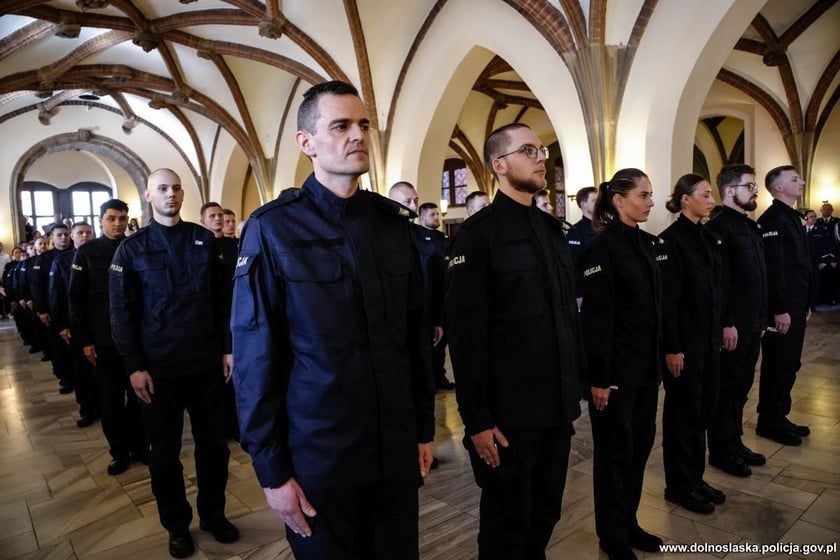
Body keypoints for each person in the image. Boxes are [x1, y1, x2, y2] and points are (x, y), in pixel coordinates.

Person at [232, 81, 435, 560]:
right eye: (340, 125)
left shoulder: (392, 224)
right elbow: (255, 357)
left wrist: (423, 428)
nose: (357, 135)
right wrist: (272, 472)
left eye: (363, 124)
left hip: (393, 450)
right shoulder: (273, 227)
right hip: (321, 456)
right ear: (307, 144)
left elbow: (413, 340)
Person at [446, 123, 582, 559]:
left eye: (540, 149)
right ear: (499, 165)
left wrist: (570, 397)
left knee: (546, 513)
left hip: (555, 408)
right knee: (508, 524)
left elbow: (563, 320)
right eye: (527, 150)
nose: (540, 157)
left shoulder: (551, 229)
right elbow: (466, 336)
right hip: (509, 416)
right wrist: (478, 420)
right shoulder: (478, 234)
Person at [110, 169, 238, 558]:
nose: (171, 194)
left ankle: (214, 515)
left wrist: (228, 348)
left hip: (205, 365)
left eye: (176, 188)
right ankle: (177, 524)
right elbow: (121, 311)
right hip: (158, 370)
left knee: (214, 447)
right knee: (164, 455)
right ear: (149, 195)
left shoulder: (203, 240)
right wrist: (134, 365)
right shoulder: (131, 249)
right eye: (163, 188)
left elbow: (221, 299)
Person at [581, 169, 663, 560]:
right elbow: (597, 318)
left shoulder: (646, 244)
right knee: (614, 455)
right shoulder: (603, 247)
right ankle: (611, 534)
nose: (650, 201)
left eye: (650, 195)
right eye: (644, 195)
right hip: (615, 374)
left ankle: (629, 523)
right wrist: (600, 377)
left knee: (638, 450)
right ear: (619, 200)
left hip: (645, 370)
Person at [659, 173, 725, 515]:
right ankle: (679, 485)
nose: (711, 199)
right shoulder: (670, 241)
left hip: (708, 342)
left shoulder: (707, 235)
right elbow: (669, 302)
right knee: (683, 416)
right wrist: (672, 347)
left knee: (703, 411)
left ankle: (695, 478)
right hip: (684, 347)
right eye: (705, 194)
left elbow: (715, 289)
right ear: (686, 199)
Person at [70, 199, 149, 474]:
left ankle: (141, 447)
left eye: (122, 218)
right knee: (111, 401)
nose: (118, 223)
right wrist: (84, 340)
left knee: (140, 398)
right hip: (103, 340)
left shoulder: (135, 247)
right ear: (101, 220)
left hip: (135, 340)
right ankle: (119, 452)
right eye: (112, 218)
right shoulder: (87, 253)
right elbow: (76, 299)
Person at [705, 164, 769, 478]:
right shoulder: (719, 228)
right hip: (733, 327)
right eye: (750, 185)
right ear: (730, 191)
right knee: (727, 389)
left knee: (742, 387)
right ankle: (721, 450)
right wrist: (726, 322)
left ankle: (735, 441)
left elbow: (757, 277)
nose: (756, 190)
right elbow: (720, 282)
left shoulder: (750, 226)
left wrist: (762, 317)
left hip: (752, 322)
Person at [756, 166, 812, 446]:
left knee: (790, 363)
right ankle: (769, 420)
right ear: (777, 188)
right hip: (783, 306)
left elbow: (801, 264)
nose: (800, 181)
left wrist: (806, 303)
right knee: (778, 363)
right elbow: (774, 268)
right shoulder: (772, 219)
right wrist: (779, 308)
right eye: (794, 179)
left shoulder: (792, 217)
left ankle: (780, 414)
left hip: (796, 303)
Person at [49, 221, 98, 427]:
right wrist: (61, 324)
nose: (85, 236)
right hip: (75, 324)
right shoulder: (62, 261)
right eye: (80, 233)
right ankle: (87, 409)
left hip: (99, 323)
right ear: (72, 236)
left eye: (88, 232)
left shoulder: (100, 255)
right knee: (81, 371)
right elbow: (55, 294)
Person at [199, 201, 240, 440]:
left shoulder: (234, 245)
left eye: (220, 215)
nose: (218, 219)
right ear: (203, 220)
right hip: (209, 320)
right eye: (212, 216)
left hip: (233, 315)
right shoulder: (199, 246)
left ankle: (235, 425)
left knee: (233, 376)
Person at [417, 201, 452, 390]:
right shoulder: (416, 238)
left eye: (438, 214)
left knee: (441, 341)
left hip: (443, 296)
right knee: (427, 341)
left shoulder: (444, 238)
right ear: (422, 217)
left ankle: (440, 377)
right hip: (426, 297)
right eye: (432, 215)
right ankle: (427, 379)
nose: (437, 218)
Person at [567, 185, 598, 303]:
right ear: (584, 204)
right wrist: (578, 295)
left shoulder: (606, 228)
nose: (599, 203)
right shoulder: (575, 232)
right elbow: (573, 266)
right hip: (586, 292)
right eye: (594, 200)